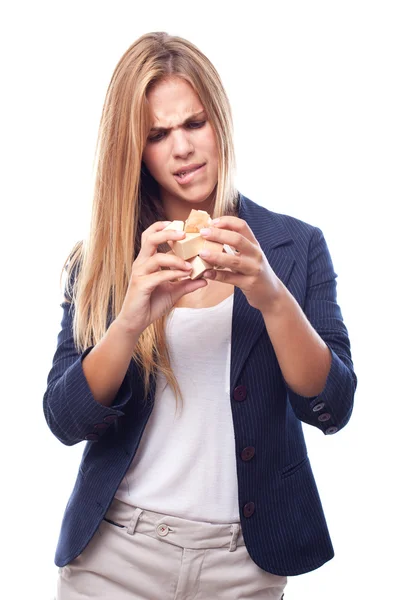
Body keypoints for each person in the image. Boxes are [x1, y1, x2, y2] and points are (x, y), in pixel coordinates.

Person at [43, 31, 357, 600]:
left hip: (243, 565)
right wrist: (130, 320)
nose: (182, 148)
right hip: (117, 555)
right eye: (157, 135)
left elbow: (332, 407)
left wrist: (270, 295)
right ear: (134, 150)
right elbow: (64, 421)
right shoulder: (105, 259)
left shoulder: (294, 247)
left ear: (220, 122)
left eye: (194, 123)